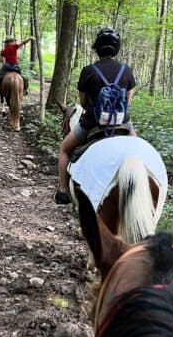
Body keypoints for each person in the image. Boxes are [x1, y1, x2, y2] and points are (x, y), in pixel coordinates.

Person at [54, 27, 137, 205]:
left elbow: (83, 103)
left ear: (97, 48)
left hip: (92, 122)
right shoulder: (127, 70)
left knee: (64, 149)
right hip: (122, 123)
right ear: (117, 48)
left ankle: (62, 191)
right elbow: (128, 100)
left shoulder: (88, 70)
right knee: (139, 151)